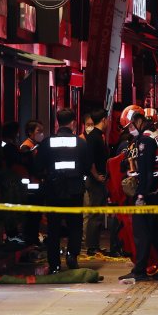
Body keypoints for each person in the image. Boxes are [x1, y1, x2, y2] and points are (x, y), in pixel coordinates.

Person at [118, 104, 158, 282]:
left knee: (141, 233)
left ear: (137, 120)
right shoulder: (156, 135)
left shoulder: (145, 140)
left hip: (149, 194)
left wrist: (140, 196)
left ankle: (139, 271)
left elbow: (145, 172)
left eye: (130, 126)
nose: (129, 130)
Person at [37, 109, 91, 274]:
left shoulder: (47, 143)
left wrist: (49, 176)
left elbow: (38, 166)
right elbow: (87, 166)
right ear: (73, 123)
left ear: (57, 122)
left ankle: (54, 264)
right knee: (75, 225)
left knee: (53, 227)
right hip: (75, 189)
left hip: (53, 190)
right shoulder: (81, 143)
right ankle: (72, 256)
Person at [84, 109, 111, 255]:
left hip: (98, 180)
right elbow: (90, 160)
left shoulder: (98, 135)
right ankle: (92, 247)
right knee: (95, 214)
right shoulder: (94, 136)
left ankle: (95, 245)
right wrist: (96, 176)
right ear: (104, 120)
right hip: (95, 181)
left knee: (99, 213)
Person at [18, 120, 47, 248]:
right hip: (31, 187)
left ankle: (33, 239)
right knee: (31, 216)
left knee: (36, 215)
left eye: (42, 131)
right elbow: (31, 166)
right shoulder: (26, 147)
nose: (41, 134)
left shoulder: (36, 145)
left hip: (37, 185)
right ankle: (30, 240)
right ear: (30, 132)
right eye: (38, 131)